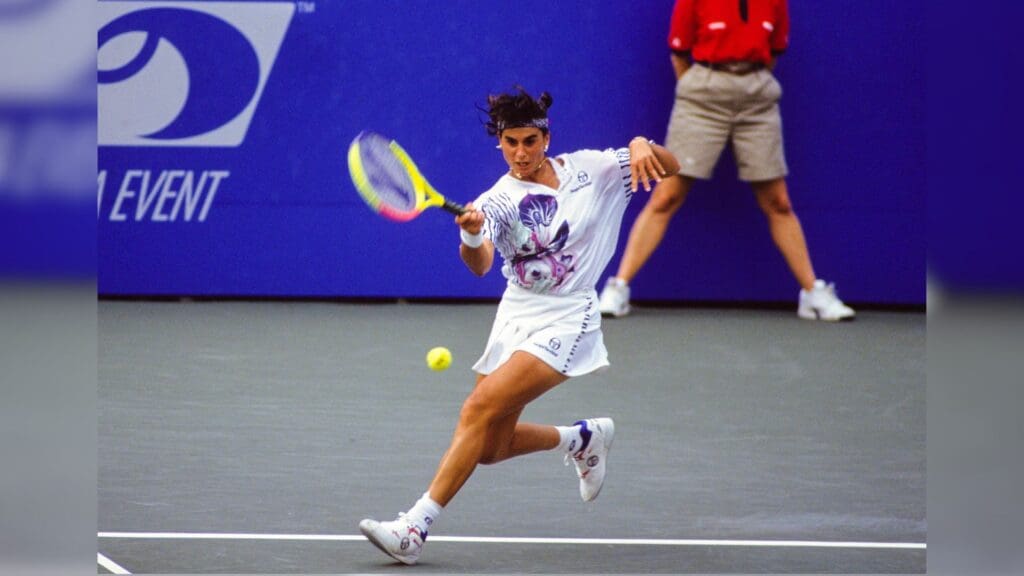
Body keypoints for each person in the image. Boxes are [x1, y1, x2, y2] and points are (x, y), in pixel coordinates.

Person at [358, 87, 681, 565]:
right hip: (516, 314)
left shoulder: (595, 170)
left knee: (477, 407)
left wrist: (641, 145)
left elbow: (672, 166)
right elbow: (480, 263)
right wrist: (470, 233)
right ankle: (583, 438)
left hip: (571, 316)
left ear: (546, 137)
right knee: (490, 446)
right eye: (510, 143)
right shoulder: (498, 200)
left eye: (529, 141)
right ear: (501, 143)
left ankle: (414, 527)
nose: (520, 153)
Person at [597, 0, 855, 322]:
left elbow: (774, 51)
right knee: (666, 196)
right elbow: (679, 53)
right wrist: (703, 88)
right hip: (702, 96)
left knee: (779, 202)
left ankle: (813, 294)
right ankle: (618, 287)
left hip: (758, 97)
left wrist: (747, 84)